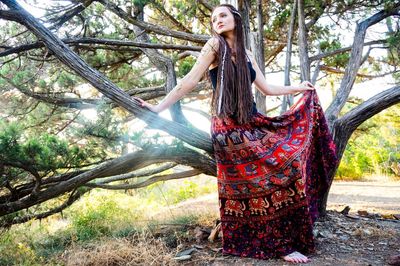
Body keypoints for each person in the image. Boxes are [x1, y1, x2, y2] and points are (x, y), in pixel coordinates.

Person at [134, 4, 338, 264]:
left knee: (288, 166)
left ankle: (288, 237)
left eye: (223, 15)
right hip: (227, 126)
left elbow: (267, 89)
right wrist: (158, 108)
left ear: (235, 19)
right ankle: (279, 245)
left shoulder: (248, 54)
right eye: (213, 18)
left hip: (251, 121)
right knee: (266, 177)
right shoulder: (214, 46)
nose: (217, 20)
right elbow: (188, 82)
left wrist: (299, 87)